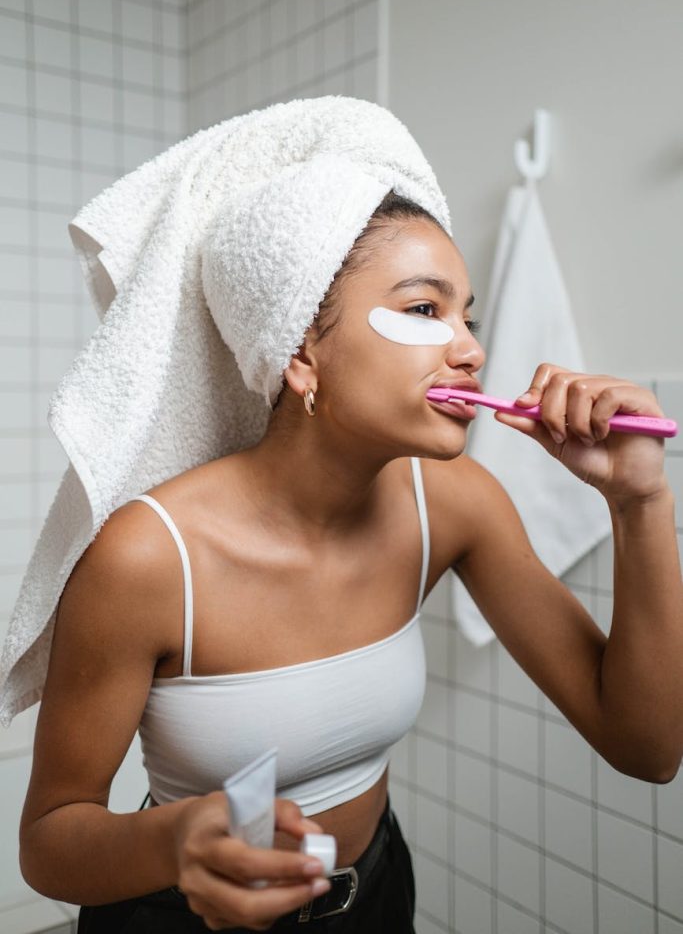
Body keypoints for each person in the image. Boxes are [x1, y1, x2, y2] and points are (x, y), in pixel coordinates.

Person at [16, 185, 682, 933]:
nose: (470, 349)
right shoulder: (147, 559)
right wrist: (174, 842)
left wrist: (639, 503)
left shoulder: (455, 503)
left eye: (467, 316)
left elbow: (647, 747)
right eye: (425, 311)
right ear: (301, 348)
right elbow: (48, 842)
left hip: (376, 896)